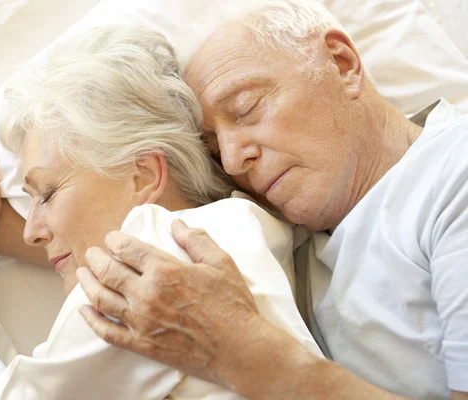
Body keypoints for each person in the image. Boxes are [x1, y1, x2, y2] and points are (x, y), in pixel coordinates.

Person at [0, 24, 321, 399]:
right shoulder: (243, 234)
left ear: (143, 175)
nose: (31, 232)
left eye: (46, 193)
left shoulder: (162, 260)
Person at [76, 2, 468, 400]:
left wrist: (239, 347)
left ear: (342, 63)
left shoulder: (453, 172)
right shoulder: (285, 234)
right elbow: (95, 212)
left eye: (245, 109)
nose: (232, 160)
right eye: (214, 151)